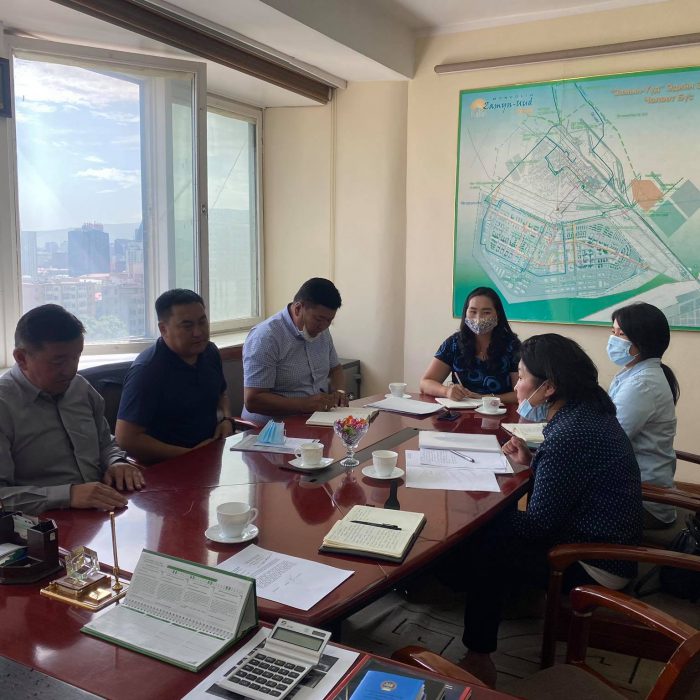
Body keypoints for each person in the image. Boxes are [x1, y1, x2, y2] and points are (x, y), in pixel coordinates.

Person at [460, 334, 642, 686]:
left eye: (522, 376)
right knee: (493, 526)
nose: (517, 384)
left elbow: (539, 526)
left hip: (594, 563)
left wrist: (479, 513)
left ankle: (478, 657)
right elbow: (573, 481)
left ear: (550, 387)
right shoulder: (586, 414)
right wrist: (533, 461)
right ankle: (515, 599)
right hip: (606, 545)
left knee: (488, 537)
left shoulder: (570, 434)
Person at [0, 304, 143, 515]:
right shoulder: (5, 405)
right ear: (21, 358)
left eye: (76, 357)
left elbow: (105, 442)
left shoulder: (81, 388)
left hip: (103, 509)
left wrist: (115, 462)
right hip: (44, 524)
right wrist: (68, 495)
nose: (71, 370)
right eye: (58, 361)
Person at [116, 289, 233, 464]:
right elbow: (126, 439)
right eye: (187, 326)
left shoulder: (209, 352)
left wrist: (226, 419)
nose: (198, 332)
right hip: (168, 465)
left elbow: (221, 394)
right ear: (163, 329)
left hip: (212, 455)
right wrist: (190, 455)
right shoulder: (148, 371)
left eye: (202, 322)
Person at [608, 303, 679, 529]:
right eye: (613, 332)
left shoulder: (642, 384)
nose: (613, 340)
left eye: (621, 334)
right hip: (634, 489)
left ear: (643, 340)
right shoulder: (635, 374)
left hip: (644, 501)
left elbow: (608, 440)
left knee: (564, 510)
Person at [242, 278, 348, 424]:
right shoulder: (266, 337)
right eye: (318, 319)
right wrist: (304, 404)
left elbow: (335, 369)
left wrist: (339, 392)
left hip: (317, 421)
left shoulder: (322, 331)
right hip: (272, 429)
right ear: (298, 308)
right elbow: (253, 400)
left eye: (329, 321)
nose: (323, 326)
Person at [419, 287, 520, 403]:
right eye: (473, 311)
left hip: (498, 411)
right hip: (460, 412)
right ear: (465, 313)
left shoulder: (512, 346)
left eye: (486, 312)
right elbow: (425, 383)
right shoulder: (454, 343)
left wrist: (485, 398)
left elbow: (520, 395)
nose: (478, 318)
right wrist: (446, 391)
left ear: (498, 314)